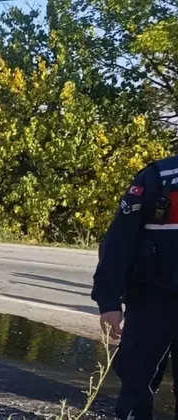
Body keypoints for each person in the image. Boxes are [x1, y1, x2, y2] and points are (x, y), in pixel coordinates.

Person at [92, 154, 178, 419]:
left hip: (151, 301)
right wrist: (109, 302)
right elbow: (120, 242)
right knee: (136, 382)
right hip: (151, 302)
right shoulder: (155, 178)